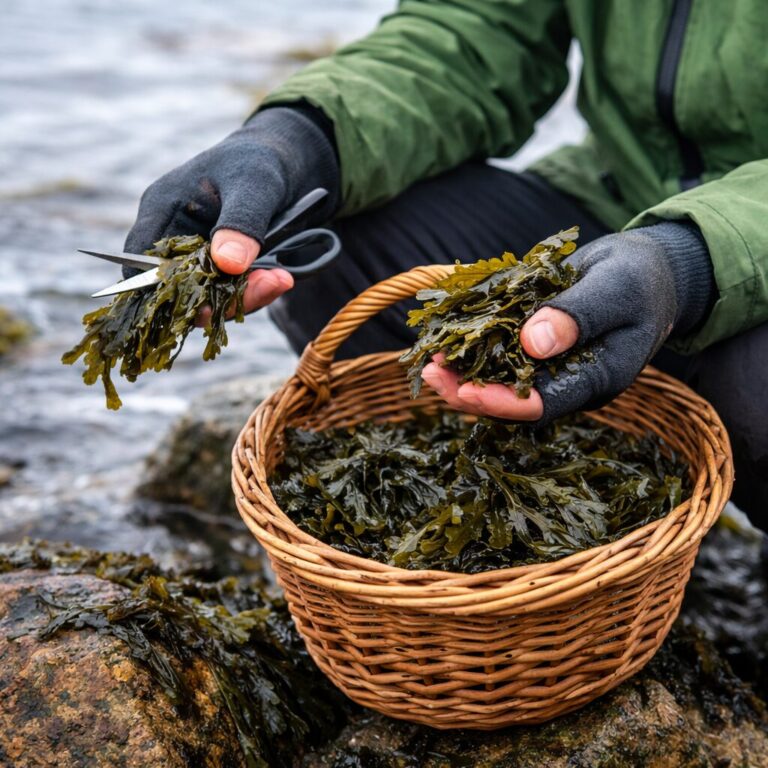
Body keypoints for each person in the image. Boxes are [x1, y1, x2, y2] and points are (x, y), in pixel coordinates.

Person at [124, 1, 767, 530]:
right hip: (615, 207)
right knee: (331, 236)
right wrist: (296, 139)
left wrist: (690, 259)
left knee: (756, 389)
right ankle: (499, 539)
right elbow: (471, 29)